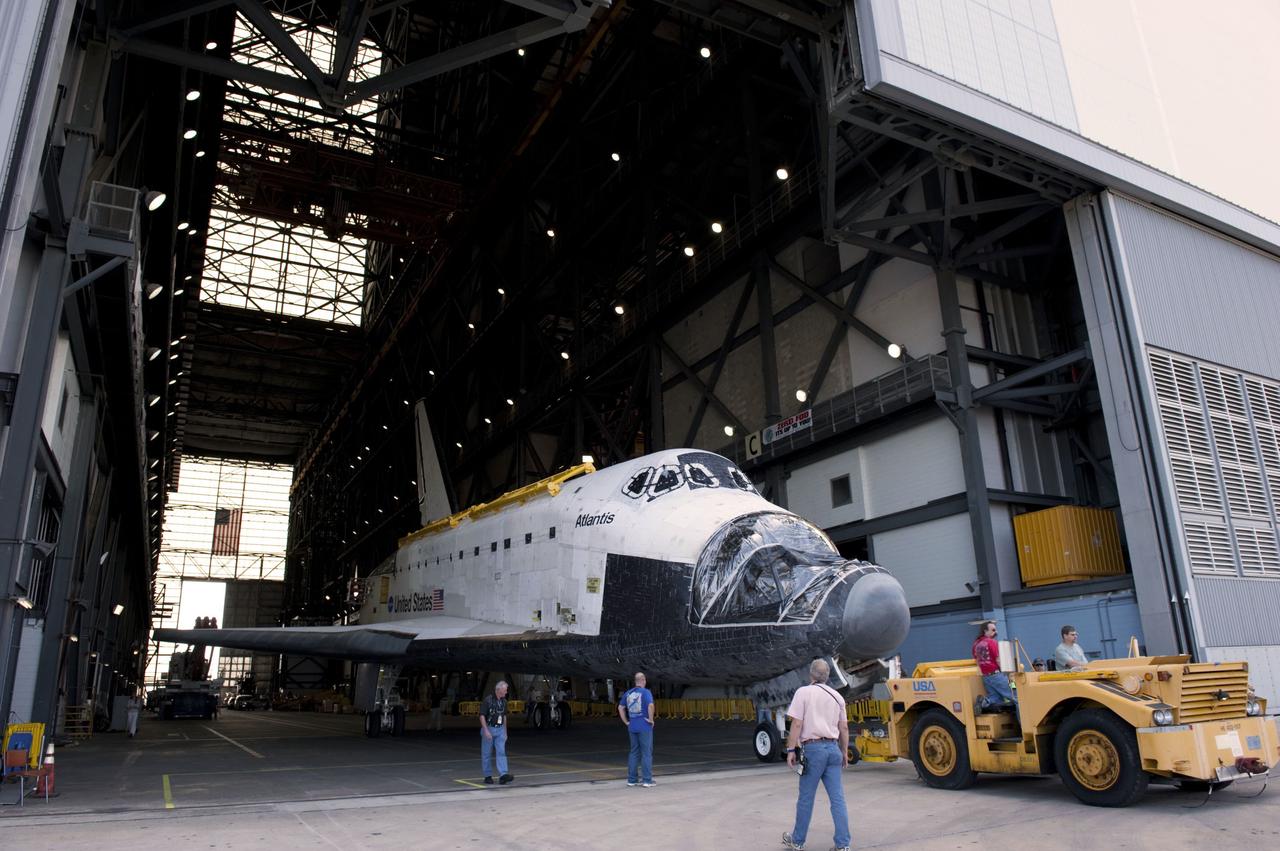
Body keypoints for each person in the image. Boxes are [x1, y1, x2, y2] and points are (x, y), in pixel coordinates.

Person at [782, 659, 851, 851]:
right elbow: (843, 727)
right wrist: (844, 751)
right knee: (838, 799)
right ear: (827, 675)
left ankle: (797, 841)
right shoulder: (837, 696)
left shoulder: (803, 693)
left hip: (813, 750)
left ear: (810, 674)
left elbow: (796, 724)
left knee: (806, 798)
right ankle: (843, 844)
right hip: (833, 750)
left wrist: (790, 750)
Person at [618, 672, 655, 787]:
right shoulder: (646, 692)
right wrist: (651, 719)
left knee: (634, 752)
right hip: (644, 726)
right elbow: (651, 706)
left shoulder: (628, 693)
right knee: (646, 753)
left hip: (632, 726)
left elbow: (620, 707)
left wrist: (626, 721)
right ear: (643, 680)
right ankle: (647, 780)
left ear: (635, 681)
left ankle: (632, 780)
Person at [972, 621, 1016, 711]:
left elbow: (977, 661)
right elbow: (998, 659)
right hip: (997, 675)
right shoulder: (992, 642)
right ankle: (1023, 724)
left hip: (986, 677)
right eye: (993, 630)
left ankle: (984, 701)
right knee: (1017, 697)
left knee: (996, 699)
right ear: (985, 631)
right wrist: (1007, 674)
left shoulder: (976, 644)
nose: (996, 632)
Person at [479, 681, 513, 785]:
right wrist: (485, 730)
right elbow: (482, 716)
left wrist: (505, 732)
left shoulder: (504, 701)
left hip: (500, 730)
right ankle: (487, 776)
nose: (506, 692)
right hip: (489, 729)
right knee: (486, 753)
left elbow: (504, 717)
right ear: (499, 690)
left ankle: (503, 775)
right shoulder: (488, 700)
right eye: (505, 690)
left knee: (501, 752)